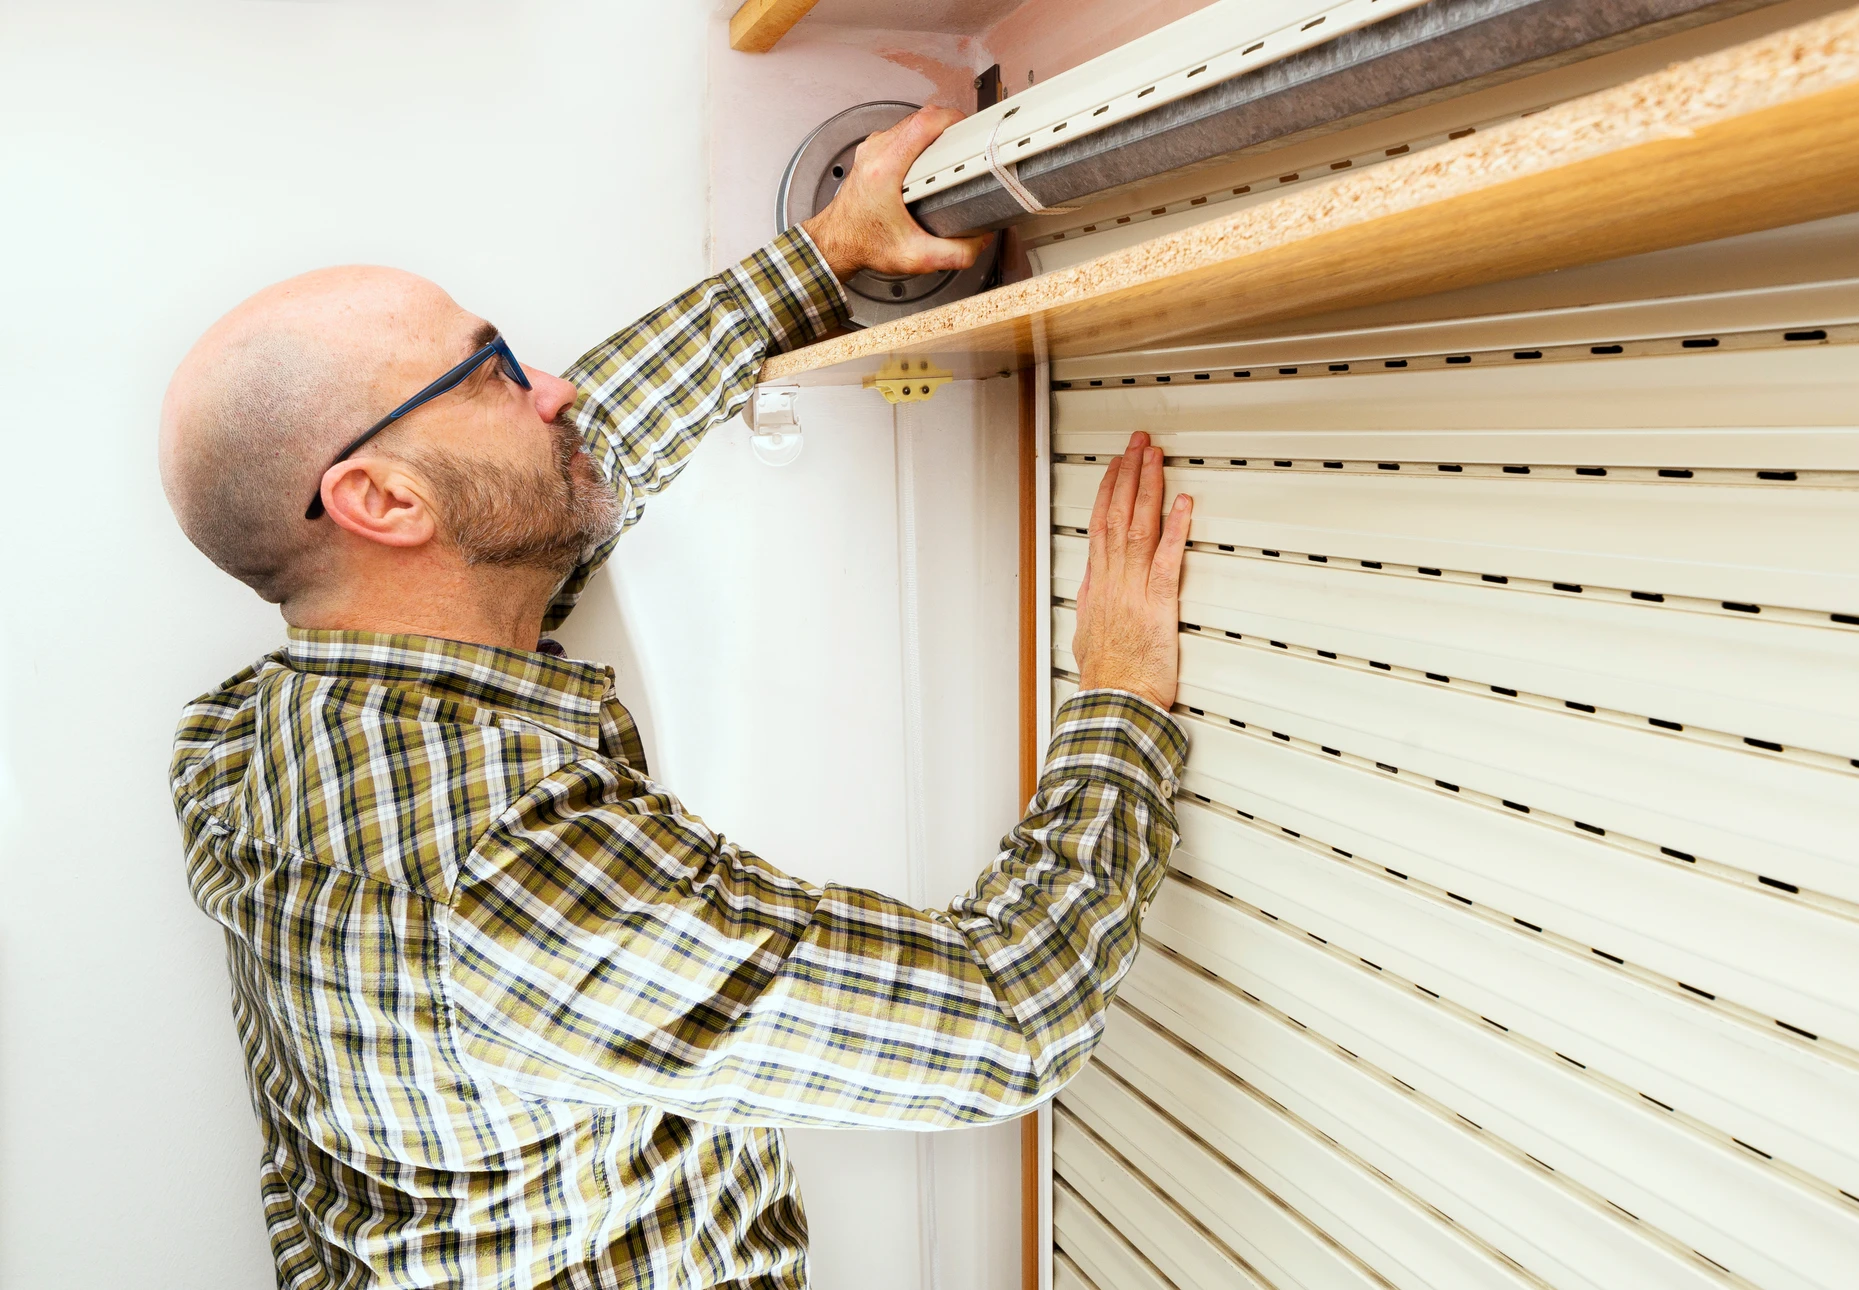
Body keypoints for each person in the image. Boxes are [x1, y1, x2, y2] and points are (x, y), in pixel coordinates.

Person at [161, 104, 1193, 1289]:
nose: (549, 388)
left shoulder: (245, 741)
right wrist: (1119, 703)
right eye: (491, 373)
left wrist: (819, 258)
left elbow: (556, 474)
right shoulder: (501, 885)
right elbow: (1007, 1015)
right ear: (384, 503)